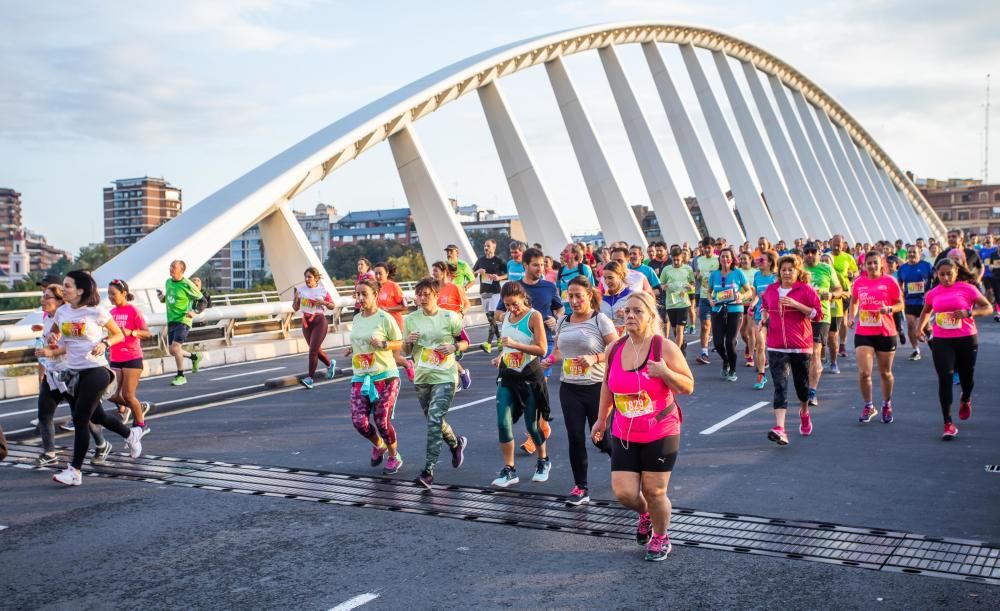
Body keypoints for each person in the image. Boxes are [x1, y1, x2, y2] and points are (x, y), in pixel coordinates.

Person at [591, 291, 694, 561]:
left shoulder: (664, 347)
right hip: (624, 431)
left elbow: (688, 385)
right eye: (627, 311)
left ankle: (661, 537)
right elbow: (607, 387)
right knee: (624, 492)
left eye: (638, 311)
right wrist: (601, 419)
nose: (631, 316)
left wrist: (666, 373)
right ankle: (645, 514)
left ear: (650, 315)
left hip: (660, 430)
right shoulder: (614, 348)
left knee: (654, 490)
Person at [39, 271, 145, 486]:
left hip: (96, 370)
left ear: (80, 290)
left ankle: (75, 471)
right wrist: (52, 342)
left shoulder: (97, 312)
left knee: (80, 418)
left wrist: (105, 343)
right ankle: (130, 434)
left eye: (68, 286)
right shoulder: (62, 312)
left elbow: (118, 334)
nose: (64, 289)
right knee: (98, 417)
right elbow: (57, 337)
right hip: (74, 372)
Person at [541, 275, 618, 505]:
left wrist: (595, 358)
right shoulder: (563, 320)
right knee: (574, 437)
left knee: (599, 439)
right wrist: (550, 359)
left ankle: (624, 463)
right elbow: (560, 350)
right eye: (570, 296)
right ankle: (581, 488)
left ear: (589, 296)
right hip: (570, 388)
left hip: (597, 388)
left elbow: (615, 350)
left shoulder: (599, 320)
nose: (574, 301)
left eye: (578, 296)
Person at [33, 283, 112, 465]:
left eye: (47, 297)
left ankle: (101, 444)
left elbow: (69, 347)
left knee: (82, 415)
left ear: (61, 300)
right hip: (53, 373)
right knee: (44, 413)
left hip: (71, 372)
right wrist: (44, 367)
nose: (43, 300)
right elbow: (48, 345)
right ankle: (50, 453)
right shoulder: (48, 319)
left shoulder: (67, 319)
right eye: (43, 296)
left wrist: (51, 352)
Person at [402, 277, 469, 488]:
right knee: (435, 421)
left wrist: (454, 348)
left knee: (433, 421)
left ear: (436, 296)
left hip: (445, 376)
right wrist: (408, 343)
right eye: (419, 294)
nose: (422, 299)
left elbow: (465, 341)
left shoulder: (450, 317)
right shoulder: (411, 319)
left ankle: (428, 471)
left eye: (426, 295)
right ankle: (455, 443)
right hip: (423, 377)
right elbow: (405, 352)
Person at [495, 247, 562, 454]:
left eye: (542, 264)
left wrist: (555, 318)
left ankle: (536, 431)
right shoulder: (513, 289)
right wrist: (514, 319)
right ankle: (539, 427)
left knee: (539, 386)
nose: (540, 268)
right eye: (535, 265)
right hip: (516, 343)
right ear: (525, 265)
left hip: (544, 342)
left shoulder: (549, 286)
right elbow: (499, 313)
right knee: (521, 395)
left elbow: (559, 309)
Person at [916, 258, 992, 440]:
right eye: (941, 274)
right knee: (945, 377)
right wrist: (920, 327)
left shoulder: (967, 289)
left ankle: (965, 398)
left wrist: (970, 313)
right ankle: (948, 423)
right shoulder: (933, 293)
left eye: (949, 274)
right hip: (943, 340)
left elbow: (988, 307)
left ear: (956, 273)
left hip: (966, 338)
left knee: (967, 378)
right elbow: (926, 311)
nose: (945, 278)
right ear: (937, 274)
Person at [490, 281, 552, 487]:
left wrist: (516, 346)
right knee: (502, 423)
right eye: (507, 305)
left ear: (523, 297)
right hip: (508, 375)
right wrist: (501, 355)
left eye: (514, 304)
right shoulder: (506, 317)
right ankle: (509, 469)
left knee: (532, 426)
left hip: (529, 377)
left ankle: (543, 460)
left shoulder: (534, 316)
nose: (511, 309)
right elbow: (508, 345)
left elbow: (542, 349)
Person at [760, 255, 823, 444]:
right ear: (778, 271)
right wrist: (763, 318)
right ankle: (780, 428)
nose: (786, 273)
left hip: (801, 346)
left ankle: (804, 412)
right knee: (780, 386)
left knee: (801, 387)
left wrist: (797, 305)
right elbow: (764, 306)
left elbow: (818, 314)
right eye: (783, 269)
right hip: (776, 345)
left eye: (790, 269)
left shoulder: (805, 290)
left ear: (798, 271)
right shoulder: (771, 290)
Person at [345, 278, 404, 474]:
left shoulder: (385, 318)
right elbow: (359, 339)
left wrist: (384, 345)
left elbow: (399, 342)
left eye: (364, 294)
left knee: (381, 420)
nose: (360, 298)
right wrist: (352, 348)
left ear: (375, 295)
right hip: (361, 376)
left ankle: (394, 457)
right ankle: (379, 445)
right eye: (357, 294)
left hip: (385, 376)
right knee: (358, 421)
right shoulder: (357, 318)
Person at [848, 252, 904, 425]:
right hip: (864, 332)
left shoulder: (889, 281)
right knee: (864, 372)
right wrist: (851, 316)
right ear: (864, 265)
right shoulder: (859, 282)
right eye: (868, 263)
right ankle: (869, 406)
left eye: (875, 263)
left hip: (885, 332)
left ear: (881, 265)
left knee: (885, 373)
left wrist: (889, 309)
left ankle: (887, 404)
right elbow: (854, 301)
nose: (871, 266)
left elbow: (900, 303)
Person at [106, 279, 152, 429]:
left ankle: (140, 425)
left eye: (113, 294)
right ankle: (139, 407)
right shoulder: (110, 313)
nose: (110, 297)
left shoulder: (133, 311)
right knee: (109, 394)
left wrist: (131, 332)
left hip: (132, 358)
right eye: (108, 294)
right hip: (115, 357)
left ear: (124, 293)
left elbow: (146, 333)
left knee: (127, 395)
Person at [801, 242, 842, 407]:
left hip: (821, 315)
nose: (810, 255)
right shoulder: (799, 269)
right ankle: (805, 381)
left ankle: (812, 392)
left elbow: (839, 289)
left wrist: (831, 295)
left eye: (813, 252)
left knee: (815, 353)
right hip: (800, 316)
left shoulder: (827, 268)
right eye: (807, 252)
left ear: (819, 253)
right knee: (803, 354)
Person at [707, 248, 751, 382]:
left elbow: (749, 291)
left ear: (732, 259)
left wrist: (741, 296)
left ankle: (732, 369)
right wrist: (710, 300)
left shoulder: (738, 273)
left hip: (735, 309)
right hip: (718, 310)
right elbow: (709, 292)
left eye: (727, 256)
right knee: (718, 343)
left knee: (730, 341)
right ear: (719, 259)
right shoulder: (714, 275)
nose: (725, 259)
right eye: (722, 256)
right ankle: (726, 360)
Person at [157, 260, 203, 386]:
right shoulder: (168, 282)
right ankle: (194, 357)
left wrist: (195, 311)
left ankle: (181, 375)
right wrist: (162, 298)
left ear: (181, 270)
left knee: (175, 347)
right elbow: (169, 299)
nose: (171, 268)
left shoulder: (187, 284)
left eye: (174, 267)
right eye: (170, 266)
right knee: (172, 350)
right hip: (171, 320)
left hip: (183, 320)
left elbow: (202, 300)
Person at [291, 267, 337, 389]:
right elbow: (295, 308)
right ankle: (329, 364)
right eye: (305, 277)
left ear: (316, 278)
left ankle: (310, 378)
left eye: (309, 277)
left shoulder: (322, 291)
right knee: (315, 349)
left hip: (319, 321)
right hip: (306, 323)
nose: (307, 279)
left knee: (312, 351)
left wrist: (323, 303)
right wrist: (296, 299)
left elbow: (333, 306)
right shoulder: (301, 291)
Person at [432, 261, 473, 390]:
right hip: (439, 327)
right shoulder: (434, 289)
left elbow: (467, 304)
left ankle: (458, 374)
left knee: (447, 353)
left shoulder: (454, 288)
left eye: (436, 271)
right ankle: (461, 373)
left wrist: (461, 313)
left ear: (444, 272)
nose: (433, 274)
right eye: (432, 271)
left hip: (454, 325)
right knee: (442, 354)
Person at [373, 261, 415, 381]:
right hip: (379, 327)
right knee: (379, 356)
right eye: (375, 274)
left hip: (395, 326)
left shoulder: (393, 286)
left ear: (387, 273)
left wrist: (388, 309)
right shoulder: (373, 288)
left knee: (395, 357)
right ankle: (385, 380)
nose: (377, 276)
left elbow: (405, 306)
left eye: (380, 273)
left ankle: (408, 364)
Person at [897, 246, 934, 360]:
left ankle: (935, 346)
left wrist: (931, 292)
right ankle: (915, 350)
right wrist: (900, 295)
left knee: (927, 327)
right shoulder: (902, 268)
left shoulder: (927, 266)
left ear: (920, 253)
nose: (912, 254)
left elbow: (936, 280)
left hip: (924, 301)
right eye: (910, 252)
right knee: (910, 324)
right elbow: (899, 284)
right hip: (910, 301)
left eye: (914, 252)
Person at [828, 235, 857, 366]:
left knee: (844, 320)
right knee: (830, 319)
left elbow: (856, 272)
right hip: (830, 291)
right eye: (834, 243)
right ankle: (830, 344)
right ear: (830, 243)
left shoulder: (848, 257)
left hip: (844, 291)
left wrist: (852, 274)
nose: (836, 246)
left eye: (839, 244)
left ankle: (842, 344)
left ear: (843, 245)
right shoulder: (827, 257)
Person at [751, 251, 778, 390]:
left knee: (776, 347)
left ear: (770, 262)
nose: (759, 262)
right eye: (758, 260)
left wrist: (769, 295)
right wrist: (753, 303)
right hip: (760, 315)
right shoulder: (756, 275)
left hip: (776, 315)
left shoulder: (776, 277)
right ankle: (761, 374)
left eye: (762, 260)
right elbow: (756, 293)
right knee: (760, 345)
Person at [472, 239, 506, 349]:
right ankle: (500, 340)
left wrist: (499, 277)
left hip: (495, 292)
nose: (486, 248)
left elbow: (508, 274)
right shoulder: (480, 260)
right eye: (485, 246)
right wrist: (478, 272)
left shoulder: (499, 260)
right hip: (483, 292)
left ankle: (489, 344)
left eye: (488, 246)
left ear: (494, 248)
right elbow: (472, 274)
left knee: (492, 317)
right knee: (490, 319)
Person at [659, 248, 695, 349]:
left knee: (680, 330)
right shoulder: (666, 269)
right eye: (674, 260)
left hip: (684, 303)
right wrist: (664, 286)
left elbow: (692, 283)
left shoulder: (688, 269)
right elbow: (661, 284)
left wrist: (690, 287)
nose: (675, 262)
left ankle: (677, 353)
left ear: (682, 257)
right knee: (675, 331)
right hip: (671, 303)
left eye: (678, 259)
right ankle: (682, 345)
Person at [694, 237, 720, 365]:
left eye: (709, 247)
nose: (706, 250)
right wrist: (697, 276)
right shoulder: (699, 260)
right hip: (704, 296)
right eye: (704, 248)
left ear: (713, 248)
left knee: (718, 326)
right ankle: (704, 353)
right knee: (705, 325)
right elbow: (698, 274)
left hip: (718, 298)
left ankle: (724, 346)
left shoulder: (718, 260)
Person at [557, 243, 595, 313]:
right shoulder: (561, 271)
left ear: (574, 254)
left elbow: (592, 290)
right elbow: (558, 291)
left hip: (582, 311)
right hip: (565, 313)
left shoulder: (584, 268)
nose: (562, 253)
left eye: (566, 251)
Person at [737, 252, 758, 368]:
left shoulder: (755, 272)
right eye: (741, 259)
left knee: (750, 330)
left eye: (745, 258)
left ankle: (750, 357)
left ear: (750, 259)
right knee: (742, 332)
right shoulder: (738, 272)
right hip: (740, 303)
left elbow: (757, 287)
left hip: (752, 303)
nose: (743, 260)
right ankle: (750, 345)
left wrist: (753, 289)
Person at [600, 261, 633, 334]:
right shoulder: (601, 299)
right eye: (605, 278)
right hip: (607, 341)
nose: (607, 281)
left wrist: (627, 314)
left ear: (620, 276)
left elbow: (644, 319)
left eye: (610, 278)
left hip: (628, 340)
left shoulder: (632, 296)